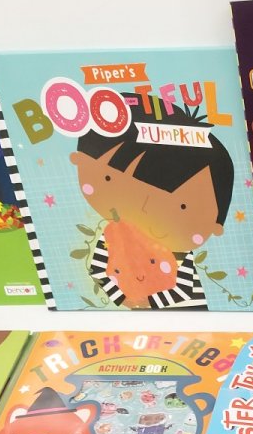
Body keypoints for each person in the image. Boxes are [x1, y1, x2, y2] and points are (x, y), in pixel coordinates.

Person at [69, 103, 234, 309]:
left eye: (182, 206)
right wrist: (122, 299)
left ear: (216, 226)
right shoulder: (114, 235)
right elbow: (97, 271)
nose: (146, 209)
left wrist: (148, 302)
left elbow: (184, 289)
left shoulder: (178, 244)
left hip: (191, 315)